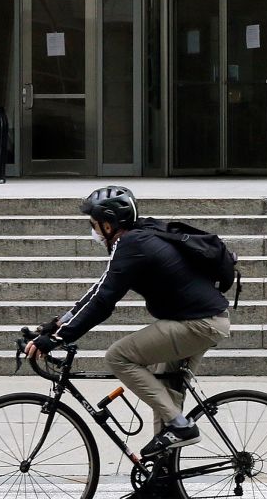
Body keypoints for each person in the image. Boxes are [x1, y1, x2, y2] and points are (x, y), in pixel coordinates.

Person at [25, 185, 231, 459]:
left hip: (198, 323)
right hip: (202, 320)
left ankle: (181, 427)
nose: (93, 230)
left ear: (109, 224)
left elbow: (103, 302)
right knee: (165, 396)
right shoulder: (138, 238)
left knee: (118, 357)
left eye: (94, 224)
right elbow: (97, 291)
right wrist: (55, 326)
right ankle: (162, 482)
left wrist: (57, 340)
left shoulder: (131, 245)